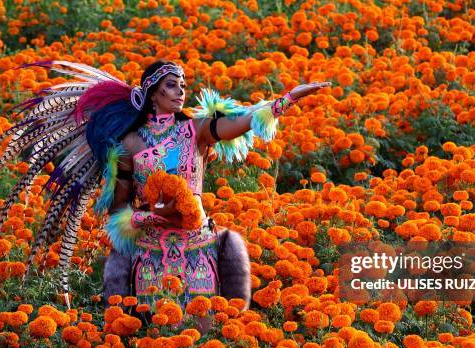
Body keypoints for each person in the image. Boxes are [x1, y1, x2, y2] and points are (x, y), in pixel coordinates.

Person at [102, 60, 330, 329]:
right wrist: (149, 217)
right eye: (171, 85)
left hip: (199, 249)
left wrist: (289, 98)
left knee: (203, 336)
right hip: (151, 256)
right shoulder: (129, 142)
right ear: (153, 92)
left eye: (183, 86)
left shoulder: (194, 129)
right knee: (154, 339)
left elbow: (243, 121)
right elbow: (118, 209)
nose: (180, 92)